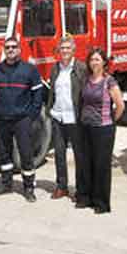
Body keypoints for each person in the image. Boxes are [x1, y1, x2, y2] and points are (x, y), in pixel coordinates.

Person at [0, 37, 44, 202]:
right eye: (7, 47)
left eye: (14, 47)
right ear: (4, 50)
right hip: (2, 119)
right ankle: (6, 184)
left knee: (26, 154)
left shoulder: (29, 70)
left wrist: (31, 115)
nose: (10, 50)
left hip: (22, 120)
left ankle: (28, 187)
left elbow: (37, 95)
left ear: (19, 50)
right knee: (4, 153)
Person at [76, 48, 124, 214]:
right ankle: (85, 198)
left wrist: (110, 121)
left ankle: (101, 203)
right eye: (91, 60)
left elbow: (120, 106)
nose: (94, 62)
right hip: (86, 127)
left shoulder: (109, 81)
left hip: (103, 129)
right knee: (86, 164)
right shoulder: (86, 79)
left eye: (97, 59)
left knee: (101, 166)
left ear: (104, 62)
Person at [47, 36, 87, 200]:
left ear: (73, 50)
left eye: (67, 48)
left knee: (79, 155)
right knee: (59, 154)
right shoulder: (55, 68)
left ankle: (80, 189)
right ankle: (62, 186)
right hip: (58, 117)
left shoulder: (80, 68)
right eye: (62, 48)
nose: (64, 51)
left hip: (75, 118)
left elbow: (85, 93)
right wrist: (50, 110)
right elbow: (52, 91)